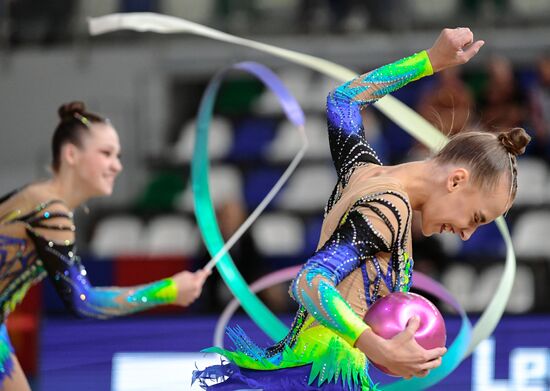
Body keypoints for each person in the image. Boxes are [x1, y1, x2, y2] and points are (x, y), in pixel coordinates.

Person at [193, 27, 530, 390]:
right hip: (324, 376)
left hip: (311, 365)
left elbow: (344, 100)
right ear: (456, 180)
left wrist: (428, 61)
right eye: (476, 218)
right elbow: (310, 283)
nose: (466, 233)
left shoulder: (363, 169)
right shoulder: (390, 208)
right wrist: (376, 346)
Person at [0, 102, 210, 391]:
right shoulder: (50, 210)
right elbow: (84, 303)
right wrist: (168, 291)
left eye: (118, 155)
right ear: (71, 154)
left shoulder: (43, 201)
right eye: (106, 153)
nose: (117, 165)